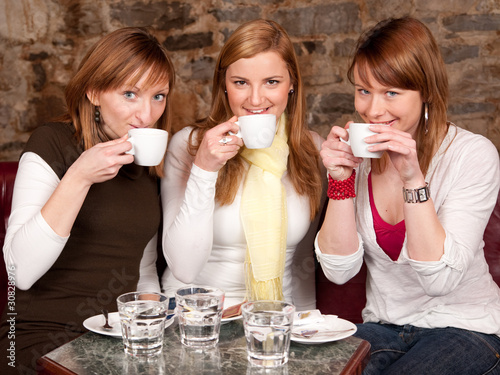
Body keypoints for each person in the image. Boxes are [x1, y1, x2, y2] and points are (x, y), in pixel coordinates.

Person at [316, 16, 500, 374]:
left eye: (392, 93)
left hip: (467, 328)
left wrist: (413, 179)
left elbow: (439, 280)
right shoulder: (362, 157)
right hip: (385, 326)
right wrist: (340, 181)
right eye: (364, 90)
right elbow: (339, 272)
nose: (372, 109)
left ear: (426, 91)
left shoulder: (473, 154)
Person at [0, 27, 175, 373]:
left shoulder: (146, 164)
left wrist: (154, 326)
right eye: (130, 94)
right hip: (40, 338)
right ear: (94, 91)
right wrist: (79, 177)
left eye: (158, 96)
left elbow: (142, 271)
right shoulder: (52, 143)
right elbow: (20, 271)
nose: (146, 114)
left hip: (114, 341)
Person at [160, 19, 326, 310]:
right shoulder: (189, 145)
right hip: (197, 316)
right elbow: (183, 269)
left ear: (292, 85)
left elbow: (301, 260)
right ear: (224, 86)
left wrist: (303, 325)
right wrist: (204, 168)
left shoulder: (311, 150)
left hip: (271, 319)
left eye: (271, 82)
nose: (255, 98)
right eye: (240, 83)